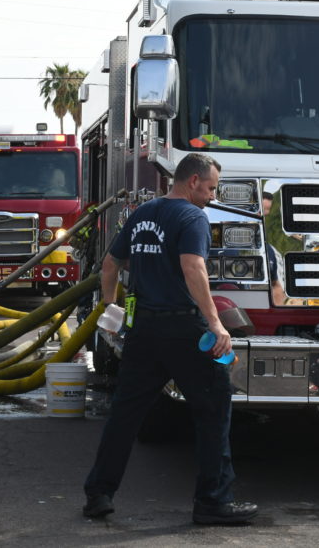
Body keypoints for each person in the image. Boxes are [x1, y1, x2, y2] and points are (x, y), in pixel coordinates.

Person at [83, 153, 257, 525]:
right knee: (214, 409)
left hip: (143, 331)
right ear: (193, 181)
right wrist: (216, 324)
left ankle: (98, 494)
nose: (212, 196)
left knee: (125, 416)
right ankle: (212, 502)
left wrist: (110, 308)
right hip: (184, 330)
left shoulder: (142, 214)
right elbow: (193, 266)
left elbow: (110, 264)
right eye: (210, 188)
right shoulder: (193, 217)